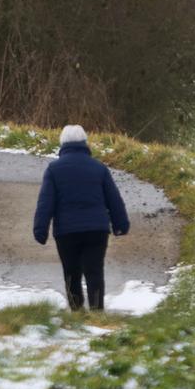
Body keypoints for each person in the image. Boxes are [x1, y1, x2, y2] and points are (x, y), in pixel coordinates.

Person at [33, 125, 130, 312]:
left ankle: (77, 312)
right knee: (94, 271)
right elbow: (114, 199)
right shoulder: (99, 168)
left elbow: (45, 203)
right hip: (97, 230)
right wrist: (121, 224)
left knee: (71, 273)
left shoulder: (54, 170)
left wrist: (40, 230)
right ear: (85, 143)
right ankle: (97, 311)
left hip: (66, 232)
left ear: (62, 144)